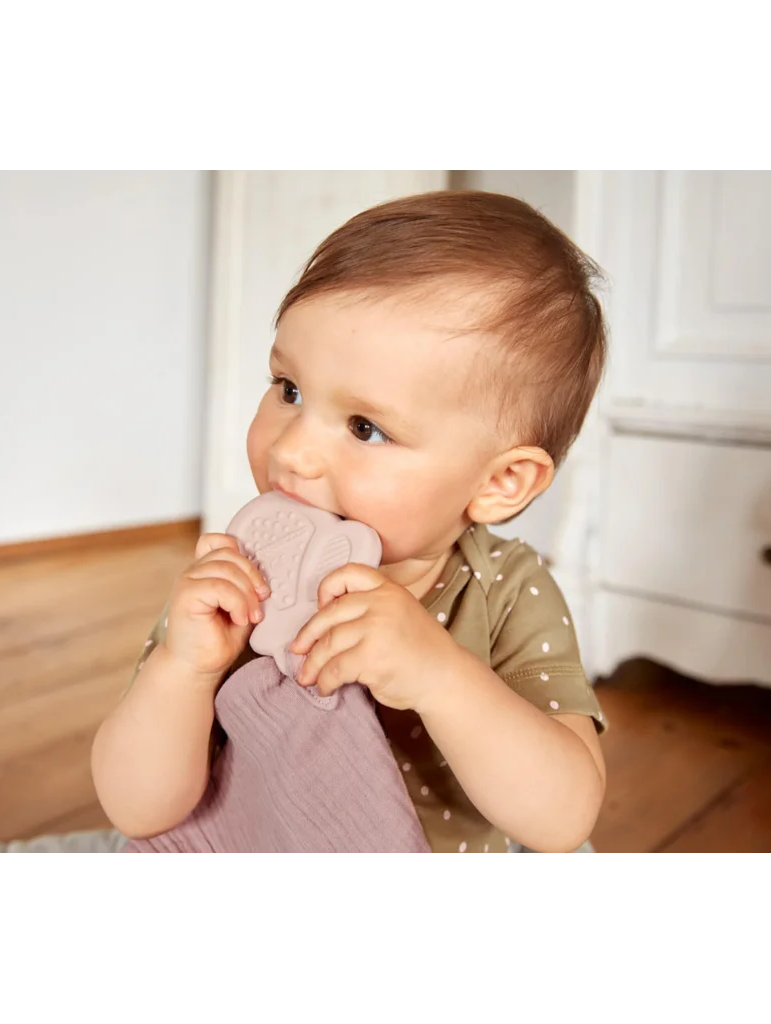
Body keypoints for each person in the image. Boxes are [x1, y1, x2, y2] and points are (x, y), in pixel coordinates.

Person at [91, 189, 609, 856]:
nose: (290, 449)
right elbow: (137, 810)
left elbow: (563, 821)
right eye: (289, 389)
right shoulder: (242, 577)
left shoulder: (506, 590)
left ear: (498, 482)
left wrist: (440, 676)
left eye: (366, 427)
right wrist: (182, 670)